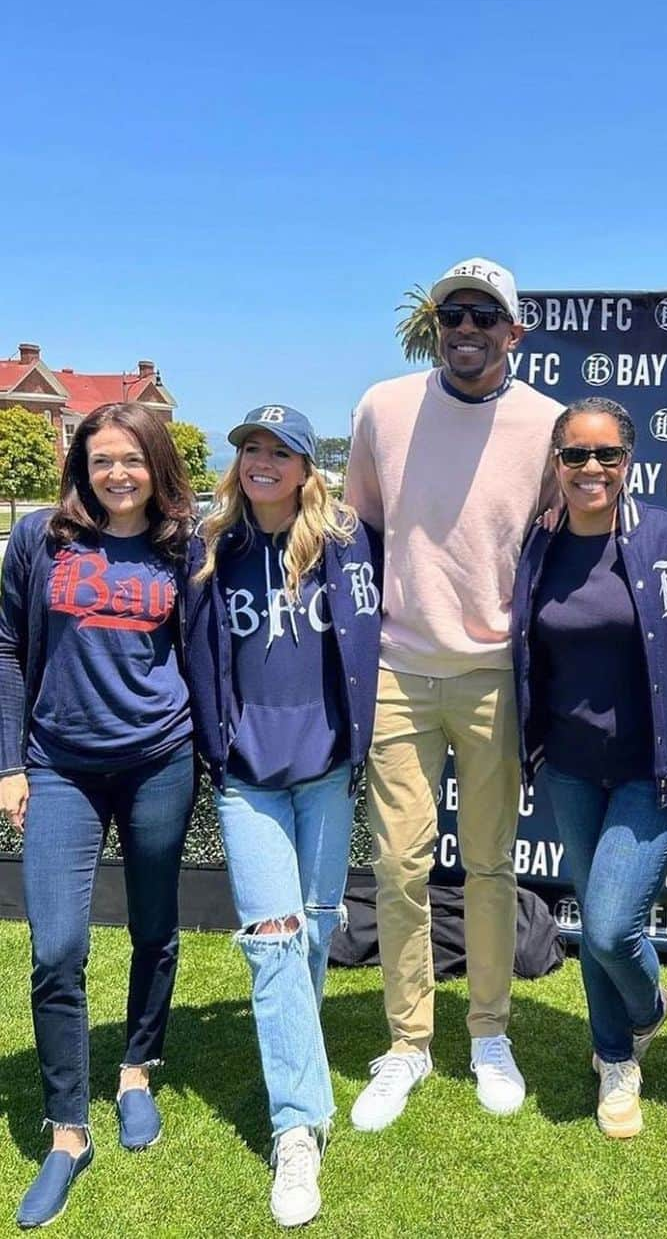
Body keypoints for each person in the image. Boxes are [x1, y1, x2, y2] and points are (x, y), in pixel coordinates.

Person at [344, 257, 563, 1129]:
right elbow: (359, 528)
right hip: (398, 670)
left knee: (489, 865)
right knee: (397, 866)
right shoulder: (381, 408)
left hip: (492, 679)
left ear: (514, 331)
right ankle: (406, 1044)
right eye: (452, 315)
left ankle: (488, 1032)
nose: (465, 329)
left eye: (483, 316)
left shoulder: (549, 424)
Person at [0, 404, 196, 1230]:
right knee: (57, 948)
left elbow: (205, 650)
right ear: (82, 464)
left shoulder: (183, 548)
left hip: (161, 758)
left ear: (156, 464)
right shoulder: (42, 538)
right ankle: (69, 1129)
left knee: (155, 925)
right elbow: (7, 644)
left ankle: (137, 1069)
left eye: (133, 459)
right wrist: (9, 762)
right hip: (59, 764)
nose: (118, 473)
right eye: (102, 459)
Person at [186, 405, 382, 1227]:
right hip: (249, 779)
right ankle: (298, 1127)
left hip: (327, 772)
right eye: (251, 449)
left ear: (307, 467)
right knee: (271, 946)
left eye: (281, 451)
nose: (263, 461)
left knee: (311, 929)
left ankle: (295, 1060)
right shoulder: (211, 547)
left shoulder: (345, 544)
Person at [511, 397, 667, 1137]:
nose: (590, 468)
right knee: (593, 911)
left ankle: (649, 1009)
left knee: (606, 927)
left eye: (606, 455)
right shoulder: (536, 547)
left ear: (628, 461)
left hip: (656, 767)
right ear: (556, 463)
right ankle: (615, 1060)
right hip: (569, 766)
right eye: (575, 455)